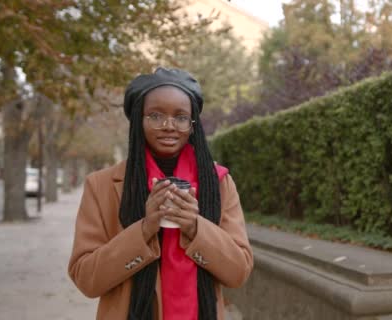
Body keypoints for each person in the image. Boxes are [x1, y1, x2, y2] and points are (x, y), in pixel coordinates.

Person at [68, 67, 253, 320]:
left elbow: (238, 272)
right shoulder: (101, 186)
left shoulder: (219, 183)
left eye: (180, 117)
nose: (169, 126)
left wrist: (195, 228)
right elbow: (87, 280)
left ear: (192, 125)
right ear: (138, 121)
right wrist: (144, 230)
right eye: (155, 116)